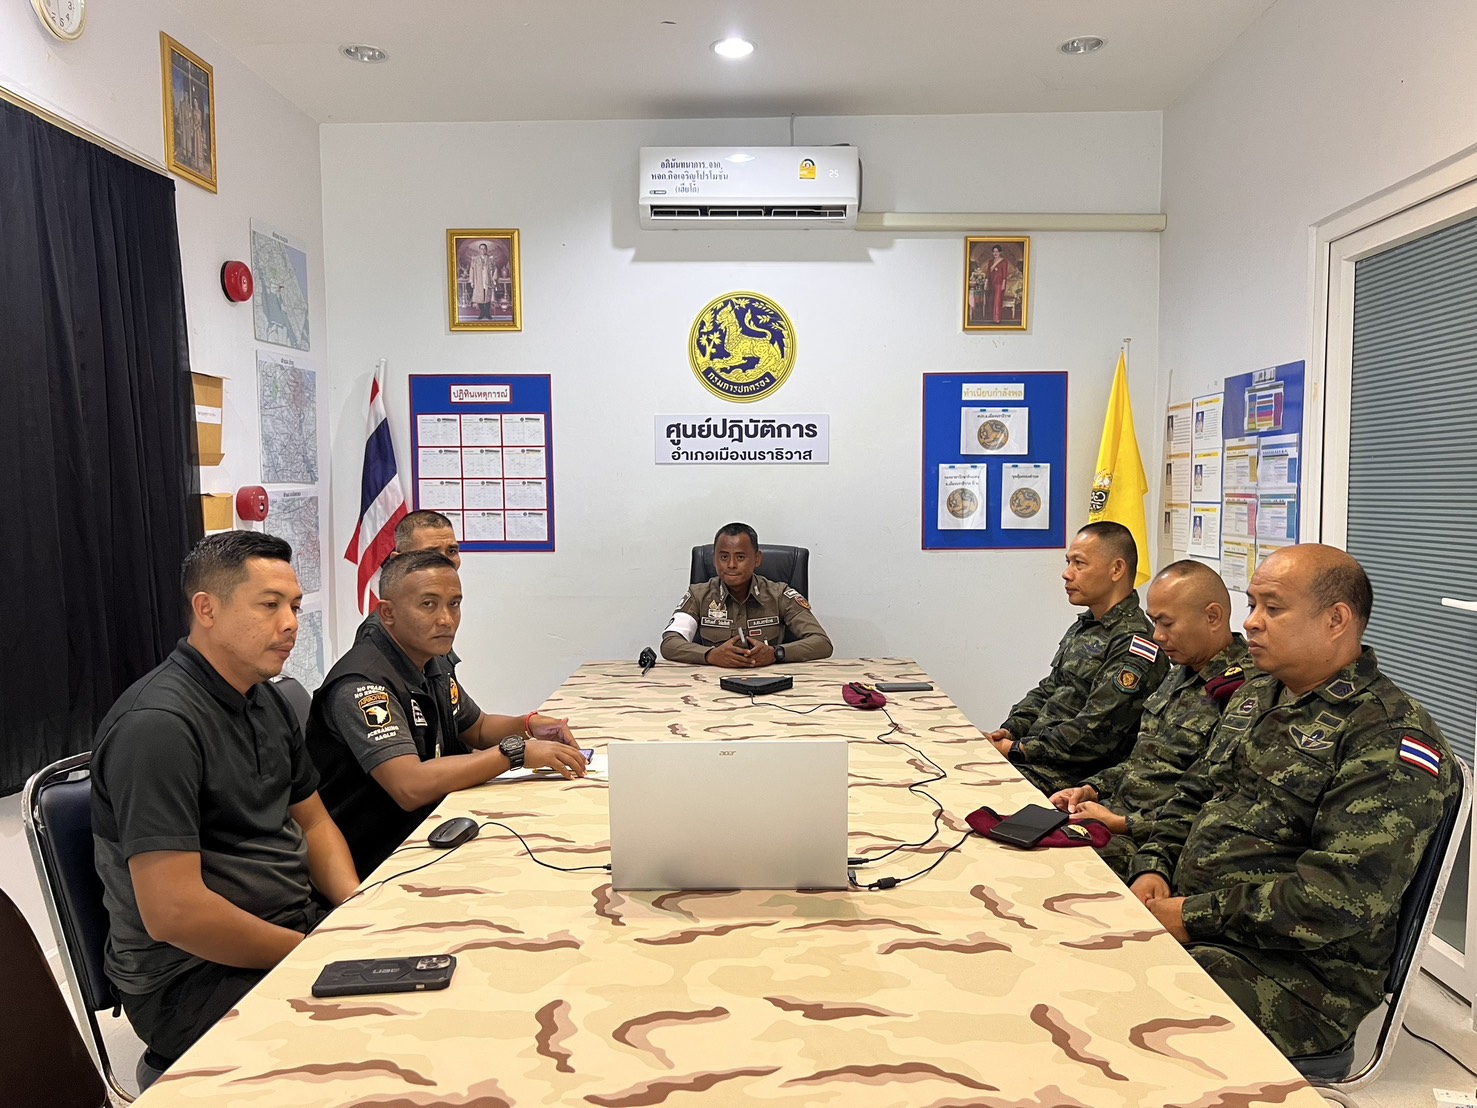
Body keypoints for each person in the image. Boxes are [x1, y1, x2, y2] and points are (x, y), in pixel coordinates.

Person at [1127, 545, 1458, 1059]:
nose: (1251, 622)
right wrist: (1154, 865)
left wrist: (1191, 916)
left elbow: (1336, 898)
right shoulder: (1257, 694)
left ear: (1336, 620)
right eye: (1252, 604)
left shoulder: (1386, 738)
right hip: (1201, 921)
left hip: (1297, 978)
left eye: (1273, 608)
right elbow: (1194, 793)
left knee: (1115, 1000)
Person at [91, 532, 359, 1070]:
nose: (291, 623)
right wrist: (312, 952)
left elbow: (314, 823)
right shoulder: (158, 727)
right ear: (207, 609)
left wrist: (356, 913)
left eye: (295, 606)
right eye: (269, 605)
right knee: (371, 1040)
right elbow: (175, 915)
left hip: (290, 929)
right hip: (190, 977)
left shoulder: (267, 699)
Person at [307, 550, 587, 874]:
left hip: (432, 827)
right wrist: (515, 753)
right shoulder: (363, 685)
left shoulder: (431, 660)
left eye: (454, 604)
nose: (446, 619)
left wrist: (528, 725)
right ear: (388, 613)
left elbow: (477, 727)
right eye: (428, 604)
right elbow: (409, 786)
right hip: (379, 857)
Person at [1048, 560, 1251, 875]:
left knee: (1051, 865)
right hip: (1114, 814)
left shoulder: (1244, 692)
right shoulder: (1179, 673)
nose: (1157, 636)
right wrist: (1091, 789)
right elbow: (1141, 761)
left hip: (1155, 843)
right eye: (1154, 622)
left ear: (1213, 616)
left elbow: (1212, 799)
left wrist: (1124, 823)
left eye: (1167, 623)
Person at [982, 521, 1169, 794]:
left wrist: (1016, 749)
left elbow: (1094, 733)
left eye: (1079, 564)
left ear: (1116, 569)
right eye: (1068, 562)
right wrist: (1011, 730)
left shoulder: (1134, 643)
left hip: (1071, 778)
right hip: (1035, 757)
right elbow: (1049, 689)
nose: (1067, 574)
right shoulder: (1088, 625)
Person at [660, 522, 832, 667]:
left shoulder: (779, 594)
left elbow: (821, 642)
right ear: (714, 559)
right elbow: (670, 643)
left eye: (740, 557)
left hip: (770, 683)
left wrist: (776, 653)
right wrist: (710, 655)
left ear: (757, 559)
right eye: (724, 557)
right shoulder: (699, 595)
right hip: (711, 684)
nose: (731, 564)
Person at [468, 242, 497, 320]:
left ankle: (487, 313)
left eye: (484, 248)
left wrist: (494, 279)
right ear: (479, 250)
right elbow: (471, 270)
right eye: (481, 248)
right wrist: (472, 281)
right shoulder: (475, 260)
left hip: (488, 280)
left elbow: (495, 269)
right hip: (478, 281)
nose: (483, 250)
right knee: (480, 297)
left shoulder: (490, 259)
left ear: (486, 250)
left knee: (488, 297)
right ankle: (482, 312)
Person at [988, 244, 1010, 323]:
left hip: (1000, 284)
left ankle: (997, 319)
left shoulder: (1004, 261)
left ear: (1000, 252)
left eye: (997, 251)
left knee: (997, 301)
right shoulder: (990, 262)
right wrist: (986, 282)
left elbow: (1004, 274)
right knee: (992, 301)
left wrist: (1003, 284)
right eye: (994, 251)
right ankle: (993, 318)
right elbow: (988, 273)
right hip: (992, 283)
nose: (995, 253)